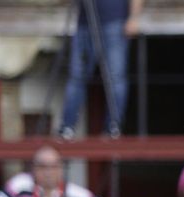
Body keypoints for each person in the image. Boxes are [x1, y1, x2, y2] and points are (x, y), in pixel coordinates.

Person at [58, 0, 142, 139]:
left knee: (115, 77)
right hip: (84, 24)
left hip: (115, 22)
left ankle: (113, 127)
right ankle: (67, 127)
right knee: (77, 77)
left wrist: (133, 17)